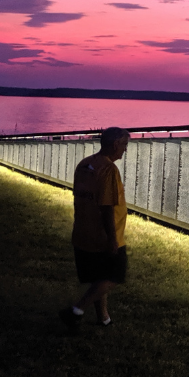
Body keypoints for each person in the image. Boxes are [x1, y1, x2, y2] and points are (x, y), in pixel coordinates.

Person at [59, 127, 130, 329]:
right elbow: (107, 207)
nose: (125, 150)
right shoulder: (109, 170)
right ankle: (76, 310)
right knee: (115, 276)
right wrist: (112, 239)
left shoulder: (84, 164)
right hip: (103, 236)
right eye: (125, 145)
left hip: (82, 232)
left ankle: (104, 318)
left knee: (99, 278)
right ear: (116, 144)